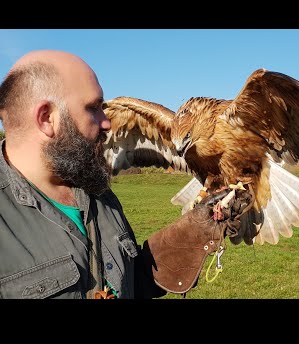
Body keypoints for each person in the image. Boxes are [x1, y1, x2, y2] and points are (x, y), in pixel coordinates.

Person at [0, 50, 247, 299]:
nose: (107, 122)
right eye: (94, 108)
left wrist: (195, 231)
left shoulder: (97, 193)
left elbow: (131, 283)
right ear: (46, 119)